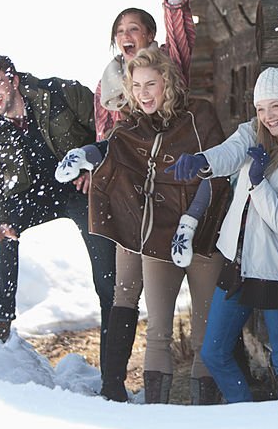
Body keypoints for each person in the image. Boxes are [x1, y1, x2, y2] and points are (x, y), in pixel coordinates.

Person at [58, 48, 229, 403]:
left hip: (205, 234)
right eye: (137, 86)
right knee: (158, 333)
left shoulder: (199, 115)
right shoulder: (131, 125)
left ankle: (206, 419)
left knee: (204, 335)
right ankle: (155, 419)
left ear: (167, 81)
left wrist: (192, 219)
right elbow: (110, 150)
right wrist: (83, 155)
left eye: (151, 83)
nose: (144, 93)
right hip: (159, 239)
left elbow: (219, 171)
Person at [86, 0, 204, 400]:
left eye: (135, 28)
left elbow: (175, 12)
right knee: (123, 290)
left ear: (151, 37)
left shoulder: (167, 66)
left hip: (172, 195)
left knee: (178, 296)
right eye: (120, 30)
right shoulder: (108, 86)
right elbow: (104, 139)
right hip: (128, 199)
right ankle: (113, 388)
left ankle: (198, 385)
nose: (126, 35)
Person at [168, 68, 278, 403]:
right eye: (260, 109)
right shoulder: (253, 133)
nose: (267, 117)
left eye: (274, 107)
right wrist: (201, 161)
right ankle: (251, 421)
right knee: (214, 352)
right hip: (236, 261)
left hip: (275, 269)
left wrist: (258, 181)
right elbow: (229, 153)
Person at [0, 54, 114, 350]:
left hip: (77, 187)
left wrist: (93, 167)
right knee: (2, 232)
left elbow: (108, 132)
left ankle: (113, 318)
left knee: (106, 269)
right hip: (31, 196)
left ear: (15, 80)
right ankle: (0, 322)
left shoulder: (61, 93)